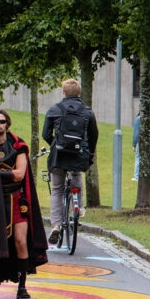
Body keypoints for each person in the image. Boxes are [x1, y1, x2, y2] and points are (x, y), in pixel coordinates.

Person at [0, 108, 48, 299]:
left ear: (7, 124)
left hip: (14, 197)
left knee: (20, 241)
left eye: (1, 121)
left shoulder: (18, 145)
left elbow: (19, 174)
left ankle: (22, 286)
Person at [42, 77, 99, 247]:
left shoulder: (55, 109)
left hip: (58, 156)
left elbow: (46, 134)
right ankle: (79, 208)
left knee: (58, 189)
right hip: (78, 155)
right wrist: (89, 153)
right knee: (76, 178)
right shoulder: (87, 112)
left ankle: (56, 225)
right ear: (79, 92)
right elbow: (93, 135)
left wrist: (55, 144)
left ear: (64, 92)